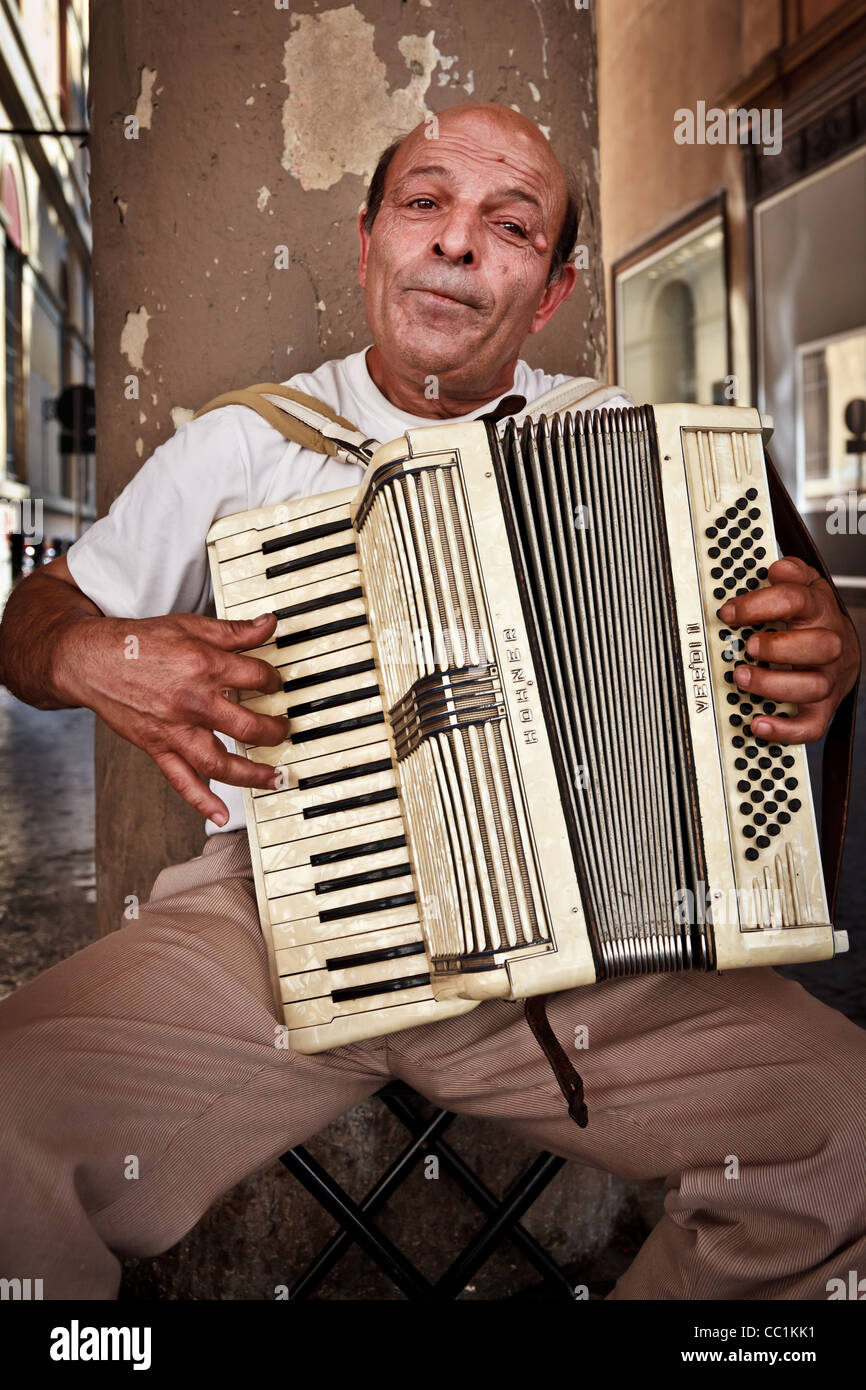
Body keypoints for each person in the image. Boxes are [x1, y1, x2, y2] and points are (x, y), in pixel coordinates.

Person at [0, 102, 862, 1301]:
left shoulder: (625, 444)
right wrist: (91, 656)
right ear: (368, 243)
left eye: (507, 225)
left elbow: (786, 637)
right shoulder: (242, 448)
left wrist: (823, 648)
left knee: (846, 1131)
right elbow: (31, 624)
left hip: (584, 942)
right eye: (424, 204)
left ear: (550, 291)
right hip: (270, 930)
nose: (457, 242)